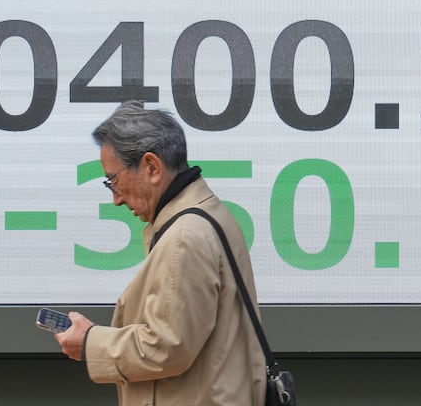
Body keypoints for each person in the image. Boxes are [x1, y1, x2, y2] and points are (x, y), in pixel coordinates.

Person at [54, 100, 267, 405]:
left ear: (152, 167)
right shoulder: (207, 214)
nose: (116, 199)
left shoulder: (185, 237)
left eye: (114, 180)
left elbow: (167, 347)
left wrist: (89, 342)